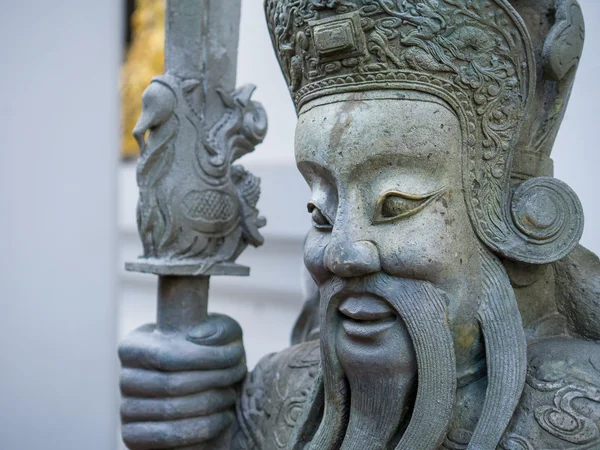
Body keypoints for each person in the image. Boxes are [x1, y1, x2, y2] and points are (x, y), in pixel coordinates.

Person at [119, 1, 600, 448]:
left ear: (508, 215)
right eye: (321, 215)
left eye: (395, 205)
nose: (342, 254)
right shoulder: (279, 394)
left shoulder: (578, 406)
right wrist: (204, 428)